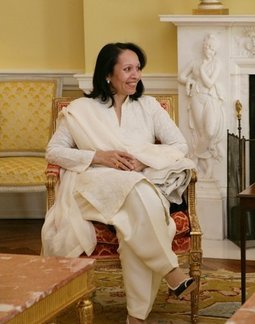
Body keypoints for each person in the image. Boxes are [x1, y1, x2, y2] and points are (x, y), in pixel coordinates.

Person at [41, 42, 197, 323]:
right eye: (127, 69)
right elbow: (54, 151)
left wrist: (144, 160)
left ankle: (135, 317)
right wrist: (98, 156)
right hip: (93, 187)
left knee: (134, 218)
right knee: (139, 196)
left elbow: (179, 145)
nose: (135, 75)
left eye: (137, 68)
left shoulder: (149, 107)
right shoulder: (80, 108)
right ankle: (170, 271)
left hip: (140, 182)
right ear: (107, 74)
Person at [178, 33, 224, 179]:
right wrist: (189, 81)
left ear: (215, 49)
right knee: (201, 133)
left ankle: (196, 158)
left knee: (209, 132)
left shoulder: (217, 63)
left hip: (210, 98)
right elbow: (181, 77)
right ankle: (208, 167)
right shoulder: (195, 62)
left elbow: (209, 83)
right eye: (206, 46)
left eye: (210, 47)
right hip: (197, 98)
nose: (207, 48)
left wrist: (203, 69)